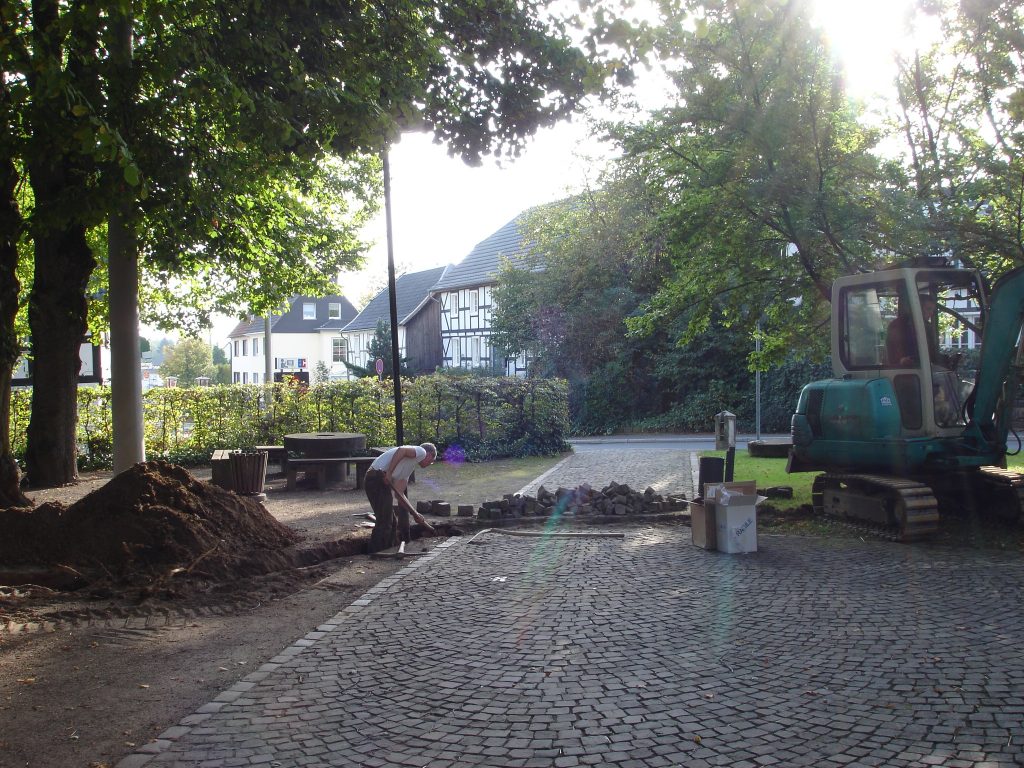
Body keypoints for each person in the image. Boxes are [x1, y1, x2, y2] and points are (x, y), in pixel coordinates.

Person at [365, 443, 437, 552]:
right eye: (431, 460)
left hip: (379, 482)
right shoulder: (421, 451)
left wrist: (415, 514)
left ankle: (387, 549)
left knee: (392, 522)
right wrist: (389, 472)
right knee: (385, 520)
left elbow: (400, 495)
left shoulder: (408, 468)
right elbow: (401, 450)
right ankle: (375, 551)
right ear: (429, 454)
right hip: (376, 477)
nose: (430, 463)